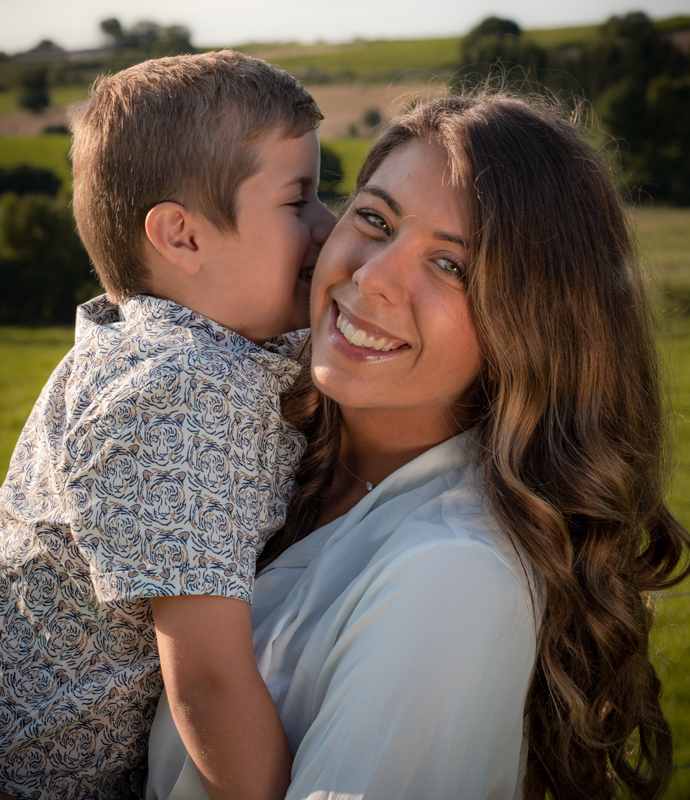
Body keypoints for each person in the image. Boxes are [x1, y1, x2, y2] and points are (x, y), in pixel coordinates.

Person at [147, 90, 690, 800]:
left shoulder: (452, 573)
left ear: (533, 326)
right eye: (374, 219)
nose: (372, 276)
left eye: (452, 266)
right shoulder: (239, 433)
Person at [0, 51, 334, 800]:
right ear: (181, 237)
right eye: (299, 199)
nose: (329, 225)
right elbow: (207, 680)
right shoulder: (178, 390)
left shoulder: (179, 349)